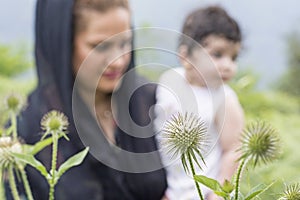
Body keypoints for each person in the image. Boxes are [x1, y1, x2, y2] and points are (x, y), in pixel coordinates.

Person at [8, 0, 167, 199]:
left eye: (124, 43)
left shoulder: (153, 101)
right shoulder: (25, 129)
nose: (118, 61)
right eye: (100, 46)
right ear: (64, 43)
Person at [154, 5, 244, 200]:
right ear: (185, 57)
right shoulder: (168, 82)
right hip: (169, 190)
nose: (228, 65)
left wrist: (219, 193)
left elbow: (234, 149)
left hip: (203, 193)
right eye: (218, 54)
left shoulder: (225, 99)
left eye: (234, 57)